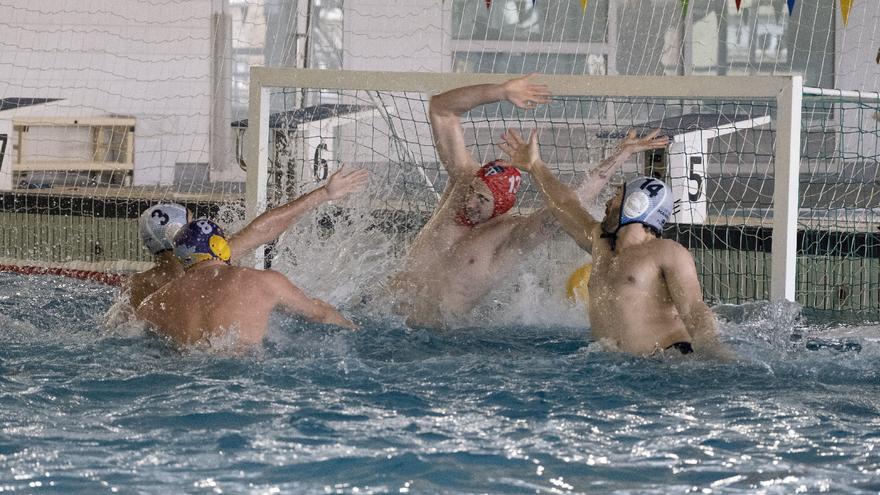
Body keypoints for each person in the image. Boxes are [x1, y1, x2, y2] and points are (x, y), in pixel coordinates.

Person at [391, 74, 663, 328]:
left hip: (433, 336)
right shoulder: (462, 185)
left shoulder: (510, 235)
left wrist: (621, 156)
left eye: (482, 199)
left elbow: (570, 205)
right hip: (386, 316)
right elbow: (441, 109)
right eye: (473, 190)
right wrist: (500, 91)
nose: (470, 202)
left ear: (500, 207)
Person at [500, 128, 728, 357]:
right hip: (616, 367)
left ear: (636, 204)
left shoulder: (667, 252)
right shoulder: (600, 243)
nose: (608, 201)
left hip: (667, 362)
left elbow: (694, 309)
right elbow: (566, 204)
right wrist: (535, 166)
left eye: (617, 195)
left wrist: (713, 351)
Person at [125, 165, 369, 308]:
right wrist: (324, 194)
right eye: (193, 222)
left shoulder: (135, 286)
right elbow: (262, 230)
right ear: (179, 234)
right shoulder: (208, 264)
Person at [136, 219, 356, 345]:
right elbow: (320, 314)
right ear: (220, 246)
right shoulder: (264, 281)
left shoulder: (152, 304)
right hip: (244, 372)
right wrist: (355, 329)